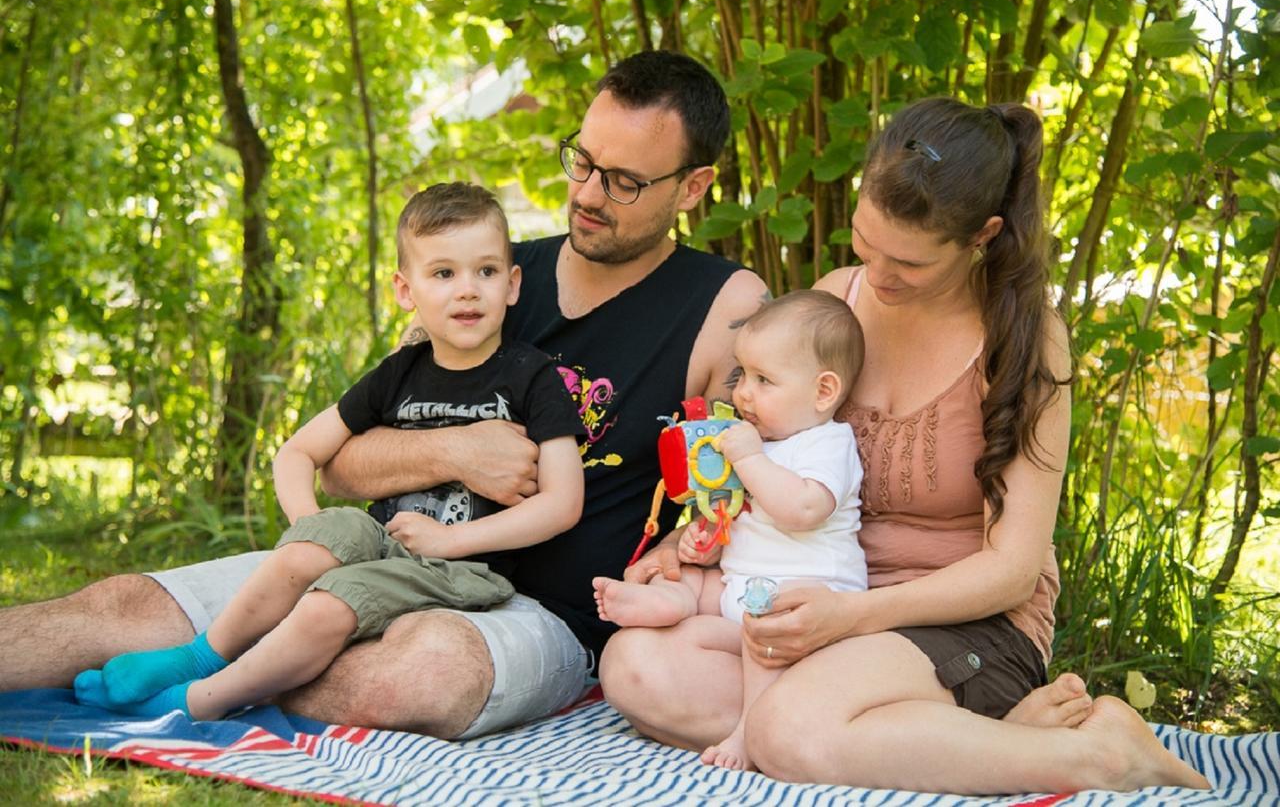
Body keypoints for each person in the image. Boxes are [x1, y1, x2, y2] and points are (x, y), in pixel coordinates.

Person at [0, 50, 768, 739]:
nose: (589, 194)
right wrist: (455, 452)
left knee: (419, 670)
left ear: (694, 187)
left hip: (537, 615)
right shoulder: (483, 276)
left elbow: (730, 490)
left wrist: (678, 550)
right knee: (120, 610)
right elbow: (340, 465)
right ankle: (194, 666)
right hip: (377, 555)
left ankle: (200, 688)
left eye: (626, 181)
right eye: (582, 162)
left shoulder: (721, 307)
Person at [600, 98, 1211, 792]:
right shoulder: (837, 301)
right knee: (636, 667)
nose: (880, 278)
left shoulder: (1025, 340)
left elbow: (1012, 571)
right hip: (825, 604)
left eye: (909, 264)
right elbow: (770, 456)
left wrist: (853, 617)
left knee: (789, 729)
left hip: (965, 624)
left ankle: (1102, 755)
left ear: (981, 235)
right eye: (866, 244)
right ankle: (984, 738)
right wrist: (690, 542)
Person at [69, 182, 585, 721]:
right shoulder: (397, 373)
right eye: (443, 273)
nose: (467, 290)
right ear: (405, 291)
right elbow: (296, 454)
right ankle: (195, 657)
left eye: (486, 271)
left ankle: (199, 702)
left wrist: (453, 540)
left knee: (330, 603)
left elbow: (562, 504)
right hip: (385, 542)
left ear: (512, 284)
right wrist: (309, 532)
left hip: (464, 567)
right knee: (315, 546)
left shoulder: (533, 379)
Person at [592, 289, 865, 771]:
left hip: (801, 599)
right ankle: (665, 602)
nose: (742, 394)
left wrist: (748, 457)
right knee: (693, 577)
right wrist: (704, 540)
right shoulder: (758, 441)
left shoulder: (827, 443)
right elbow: (740, 515)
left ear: (824, 391)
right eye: (742, 375)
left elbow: (803, 509)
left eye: (764, 380)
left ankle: (747, 733)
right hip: (744, 585)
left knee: (763, 638)